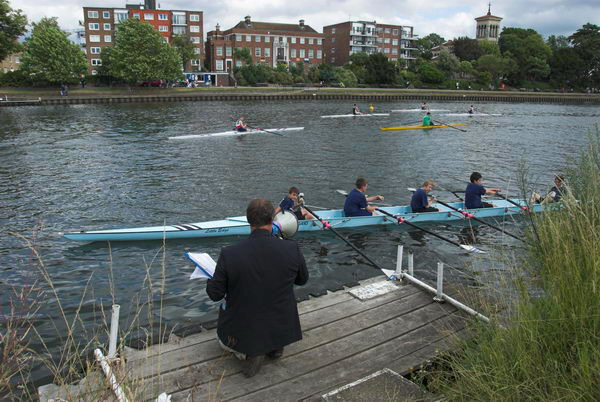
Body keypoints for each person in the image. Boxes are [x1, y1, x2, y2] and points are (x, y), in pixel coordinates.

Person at [206, 199, 309, 378]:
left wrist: (210, 278)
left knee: (221, 338)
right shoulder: (292, 248)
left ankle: (250, 352)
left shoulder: (230, 254)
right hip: (282, 327)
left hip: (243, 332)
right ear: (273, 219)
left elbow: (214, 294)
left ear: (248, 221)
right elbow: (302, 280)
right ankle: (274, 346)